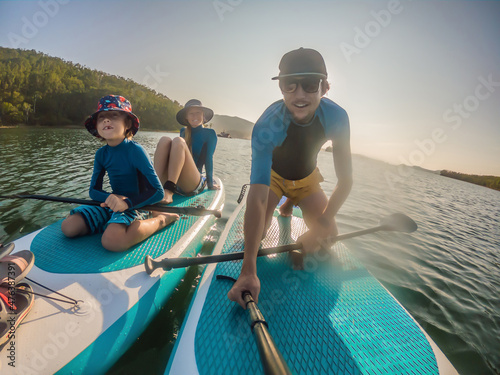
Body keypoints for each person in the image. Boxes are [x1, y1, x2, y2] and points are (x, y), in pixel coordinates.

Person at [228, 48, 353, 308]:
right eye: (289, 85)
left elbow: (346, 181)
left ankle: (289, 203)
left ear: (325, 87)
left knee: (328, 238)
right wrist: (248, 270)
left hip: (307, 179)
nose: (299, 95)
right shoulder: (266, 126)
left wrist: (319, 227)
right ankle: (285, 201)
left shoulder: (338, 118)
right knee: (258, 233)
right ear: (281, 88)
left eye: (309, 85)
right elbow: (257, 196)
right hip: (274, 178)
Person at [61, 95, 178, 252]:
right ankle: (110, 222)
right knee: (69, 227)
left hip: (138, 205)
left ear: (127, 123)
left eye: (114, 115)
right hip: (114, 204)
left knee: (112, 241)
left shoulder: (136, 151)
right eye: (101, 117)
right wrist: (111, 198)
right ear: (96, 125)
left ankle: (161, 220)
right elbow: (93, 191)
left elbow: (157, 192)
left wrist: (127, 203)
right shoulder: (101, 154)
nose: (106, 120)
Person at [154, 99, 219, 204]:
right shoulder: (183, 131)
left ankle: (169, 192)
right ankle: (153, 187)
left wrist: (210, 184)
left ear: (203, 115)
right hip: (178, 179)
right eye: (191, 114)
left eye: (198, 113)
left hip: (193, 181)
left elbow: (209, 159)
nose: (195, 116)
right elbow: (178, 158)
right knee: (164, 140)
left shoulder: (210, 133)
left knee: (178, 141)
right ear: (186, 117)